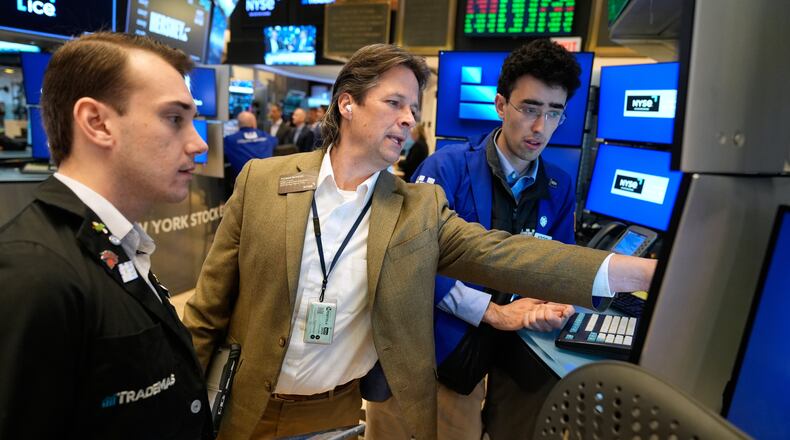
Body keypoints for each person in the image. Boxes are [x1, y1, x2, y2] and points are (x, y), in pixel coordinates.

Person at [183, 43, 656, 440]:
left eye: (413, 108)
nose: (409, 119)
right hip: (242, 402)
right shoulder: (263, 181)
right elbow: (208, 309)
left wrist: (647, 272)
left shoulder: (418, 207)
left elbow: (507, 254)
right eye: (394, 103)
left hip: (337, 411)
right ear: (347, 103)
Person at [365, 39, 583, 439]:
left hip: (508, 360)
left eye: (554, 113)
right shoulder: (445, 168)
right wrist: (492, 312)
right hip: (431, 353)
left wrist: (554, 305)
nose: (540, 127)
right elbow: (406, 262)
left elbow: (557, 266)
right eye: (530, 109)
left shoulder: (559, 186)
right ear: (501, 105)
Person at [0, 32, 211, 439]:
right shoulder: (35, 271)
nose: (198, 143)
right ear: (97, 123)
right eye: (174, 119)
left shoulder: (114, 243)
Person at [224, 110, 276, 181]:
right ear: (254, 123)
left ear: (238, 125)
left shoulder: (229, 140)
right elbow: (277, 143)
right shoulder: (266, 136)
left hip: (243, 184)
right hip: (268, 180)